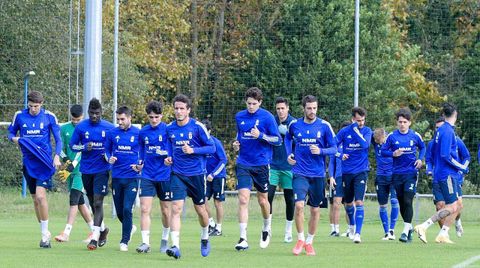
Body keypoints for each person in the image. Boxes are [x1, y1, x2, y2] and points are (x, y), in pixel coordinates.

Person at [7, 90, 62, 248]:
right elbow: (10, 132)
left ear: (41, 104)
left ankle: (45, 235)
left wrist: (57, 156)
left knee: (40, 197)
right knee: (35, 200)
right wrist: (14, 139)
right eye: (30, 106)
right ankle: (44, 231)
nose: (33, 109)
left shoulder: (49, 117)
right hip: (28, 163)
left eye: (36, 106)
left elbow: (58, 140)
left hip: (44, 163)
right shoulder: (20, 115)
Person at [164, 94, 215, 259]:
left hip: (197, 175)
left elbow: (211, 148)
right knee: (176, 209)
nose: (178, 111)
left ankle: (205, 236)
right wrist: (168, 157)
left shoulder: (197, 127)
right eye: (176, 108)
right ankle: (175, 246)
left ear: (188, 110)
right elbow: (168, 146)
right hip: (177, 174)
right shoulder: (170, 128)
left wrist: (193, 150)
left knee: (201, 210)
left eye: (181, 108)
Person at [285, 95, 336, 256]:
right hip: (300, 172)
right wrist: (289, 154)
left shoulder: (324, 126)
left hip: (318, 175)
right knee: (299, 205)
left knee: (315, 210)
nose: (312, 111)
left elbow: (334, 149)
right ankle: (300, 239)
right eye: (309, 108)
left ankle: (309, 241)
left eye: (314, 108)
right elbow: (287, 138)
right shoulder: (294, 125)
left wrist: (321, 151)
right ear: (304, 108)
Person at [233, 87, 281, 251]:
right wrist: (236, 144)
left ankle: (267, 226)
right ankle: (242, 238)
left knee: (262, 201)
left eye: (254, 104)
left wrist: (260, 135)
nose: (251, 106)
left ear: (260, 102)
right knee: (243, 199)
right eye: (248, 103)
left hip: (261, 164)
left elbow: (277, 140)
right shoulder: (239, 116)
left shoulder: (267, 117)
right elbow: (239, 136)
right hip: (244, 162)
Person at [418, 105, 469, 243]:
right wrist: (461, 168)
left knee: (456, 205)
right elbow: (445, 155)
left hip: (444, 173)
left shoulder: (441, 131)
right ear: (455, 115)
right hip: (447, 174)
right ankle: (424, 226)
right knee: (452, 206)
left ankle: (443, 233)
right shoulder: (447, 131)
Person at [70, 98, 115, 250]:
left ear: (101, 112)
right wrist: (83, 147)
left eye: (97, 113)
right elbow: (73, 146)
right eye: (91, 113)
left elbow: (116, 145)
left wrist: (109, 156)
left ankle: (94, 238)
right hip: (86, 170)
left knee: (98, 202)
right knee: (92, 201)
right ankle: (103, 230)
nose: (94, 116)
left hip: (102, 170)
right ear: (87, 112)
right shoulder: (82, 127)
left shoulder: (109, 127)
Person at [381, 107, 425, 243]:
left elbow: (423, 147)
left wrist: (420, 159)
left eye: (405, 122)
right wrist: (393, 154)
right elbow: (383, 151)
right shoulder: (392, 136)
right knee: (402, 203)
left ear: (409, 123)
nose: (402, 124)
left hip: (411, 173)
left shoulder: (415, 135)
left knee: (407, 200)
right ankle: (410, 228)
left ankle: (405, 232)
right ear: (397, 122)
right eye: (400, 122)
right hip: (397, 174)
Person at [55, 104, 94, 243]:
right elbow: (60, 148)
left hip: (82, 171)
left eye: (78, 120)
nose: (76, 122)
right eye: (73, 119)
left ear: (83, 117)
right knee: (80, 203)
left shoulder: (87, 130)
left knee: (73, 200)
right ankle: (96, 231)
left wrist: (72, 166)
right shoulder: (64, 128)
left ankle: (66, 233)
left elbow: (83, 150)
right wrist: (66, 161)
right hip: (70, 170)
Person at [136, 101, 171, 254]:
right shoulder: (143, 132)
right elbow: (141, 150)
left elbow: (172, 150)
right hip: (147, 175)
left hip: (164, 175)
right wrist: (140, 162)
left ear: (161, 116)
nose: (154, 120)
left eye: (157, 117)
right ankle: (145, 242)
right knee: (144, 208)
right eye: (151, 117)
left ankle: (165, 239)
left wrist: (168, 156)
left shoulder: (168, 130)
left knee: (165, 210)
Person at [105, 106, 140, 251]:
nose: (120, 122)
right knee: (120, 212)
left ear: (130, 118)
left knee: (127, 209)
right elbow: (106, 150)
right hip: (117, 177)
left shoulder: (138, 133)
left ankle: (124, 241)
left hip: (132, 177)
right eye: (118, 119)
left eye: (122, 119)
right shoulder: (112, 133)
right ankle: (130, 227)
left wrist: (140, 164)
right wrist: (109, 159)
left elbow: (143, 151)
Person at [335, 107, 372, 243]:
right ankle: (351, 226)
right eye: (358, 120)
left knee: (359, 201)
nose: (361, 123)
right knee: (348, 203)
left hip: (361, 171)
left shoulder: (367, 131)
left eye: (362, 120)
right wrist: (339, 154)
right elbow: (333, 144)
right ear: (352, 119)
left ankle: (358, 233)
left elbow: (365, 145)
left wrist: (356, 131)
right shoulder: (344, 131)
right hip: (346, 172)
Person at [267, 97, 295, 243]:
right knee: (268, 196)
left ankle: (288, 232)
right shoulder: (271, 122)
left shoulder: (294, 123)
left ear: (288, 108)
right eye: (278, 108)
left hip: (288, 167)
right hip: (272, 166)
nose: (280, 111)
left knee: (289, 199)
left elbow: (299, 142)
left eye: (283, 108)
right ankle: (268, 228)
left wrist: (288, 134)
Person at [202, 119, 228, 237]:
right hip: (205, 177)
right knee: (203, 200)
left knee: (217, 202)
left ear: (209, 131)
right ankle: (211, 223)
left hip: (218, 176)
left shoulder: (215, 142)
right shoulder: (199, 143)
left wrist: (213, 174)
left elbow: (224, 160)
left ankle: (219, 227)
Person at [372, 128, 398, 240]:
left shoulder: (392, 143)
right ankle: (386, 232)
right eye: (378, 142)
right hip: (380, 177)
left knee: (394, 201)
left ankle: (392, 230)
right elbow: (367, 132)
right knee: (382, 205)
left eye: (381, 141)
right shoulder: (375, 142)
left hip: (393, 176)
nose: (380, 143)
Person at [327, 121, 349, 237]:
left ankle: (351, 230)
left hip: (350, 176)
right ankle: (335, 229)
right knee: (336, 203)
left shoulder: (353, 144)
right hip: (338, 178)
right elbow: (331, 163)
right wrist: (331, 177)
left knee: (349, 204)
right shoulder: (336, 145)